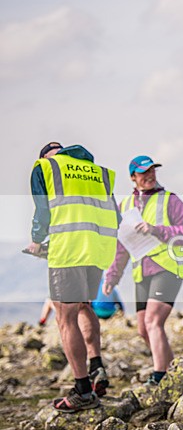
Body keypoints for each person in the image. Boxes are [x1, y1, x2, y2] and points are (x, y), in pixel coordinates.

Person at [27, 143, 119, 412]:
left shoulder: (46, 168)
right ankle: (96, 368)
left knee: (65, 317)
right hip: (99, 248)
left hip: (68, 249)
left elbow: (43, 210)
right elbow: (116, 214)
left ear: (45, 156)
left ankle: (83, 391)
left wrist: (36, 240)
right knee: (84, 305)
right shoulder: (98, 172)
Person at [104, 156, 183, 386]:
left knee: (154, 322)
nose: (150, 175)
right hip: (141, 273)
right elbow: (121, 247)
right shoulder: (124, 207)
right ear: (133, 178)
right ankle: (176, 373)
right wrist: (112, 277)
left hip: (167, 268)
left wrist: (156, 230)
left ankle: (159, 376)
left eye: (152, 170)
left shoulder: (170, 200)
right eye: (144, 172)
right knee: (144, 329)